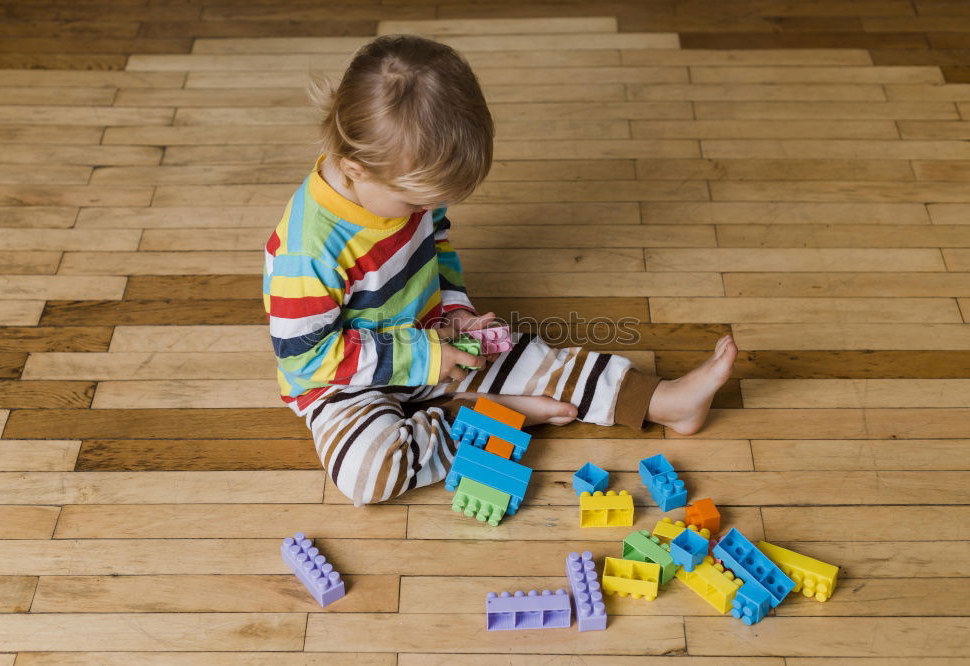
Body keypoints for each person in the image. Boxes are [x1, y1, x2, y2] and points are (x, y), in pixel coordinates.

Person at [262, 34, 737, 506]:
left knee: (533, 359)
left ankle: (665, 401)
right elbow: (305, 357)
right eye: (416, 201)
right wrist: (426, 356)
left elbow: (437, 249)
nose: (424, 210)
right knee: (369, 473)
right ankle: (488, 415)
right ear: (356, 168)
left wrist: (456, 312)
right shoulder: (309, 254)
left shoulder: (406, 187)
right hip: (346, 380)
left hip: (432, 335)